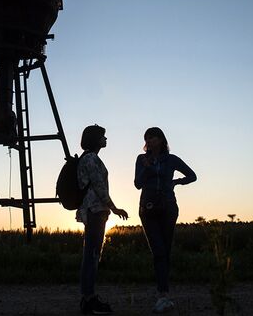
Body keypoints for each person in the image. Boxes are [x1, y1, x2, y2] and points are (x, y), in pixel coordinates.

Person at [134, 127, 197, 313]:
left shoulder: (171, 159)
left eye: (153, 137)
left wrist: (177, 182)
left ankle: (165, 295)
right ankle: (162, 296)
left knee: (166, 251)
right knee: (159, 251)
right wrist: (146, 169)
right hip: (148, 207)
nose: (150, 141)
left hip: (169, 207)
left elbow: (192, 176)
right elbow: (137, 184)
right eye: (147, 138)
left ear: (161, 139)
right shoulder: (141, 159)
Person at [77, 124, 129, 315]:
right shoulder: (91, 159)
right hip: (95, 210)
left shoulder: (88, 158)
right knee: (91, 255)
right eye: (103, 136)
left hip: (93, 211)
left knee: (91, 254)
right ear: (95, 139)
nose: (105, 139)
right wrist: (115, 208)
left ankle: (88, 298)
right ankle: (89, 299)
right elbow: (100, 187)